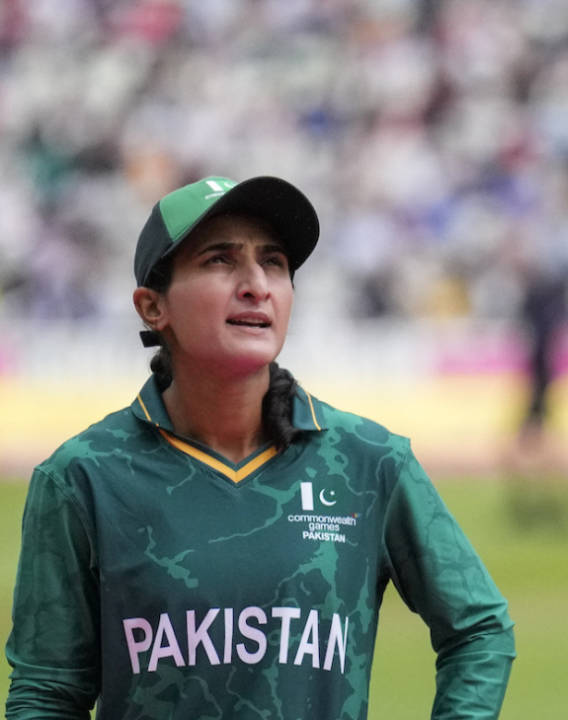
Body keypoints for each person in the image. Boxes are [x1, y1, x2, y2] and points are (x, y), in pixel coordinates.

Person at [5, 176, 515, 719]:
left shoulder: (369, 462)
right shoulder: (83, 477)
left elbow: (479, 630)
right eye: (220, 261)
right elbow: (47, 693)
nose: (256, 285)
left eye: (273, 262)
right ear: (153, 307)